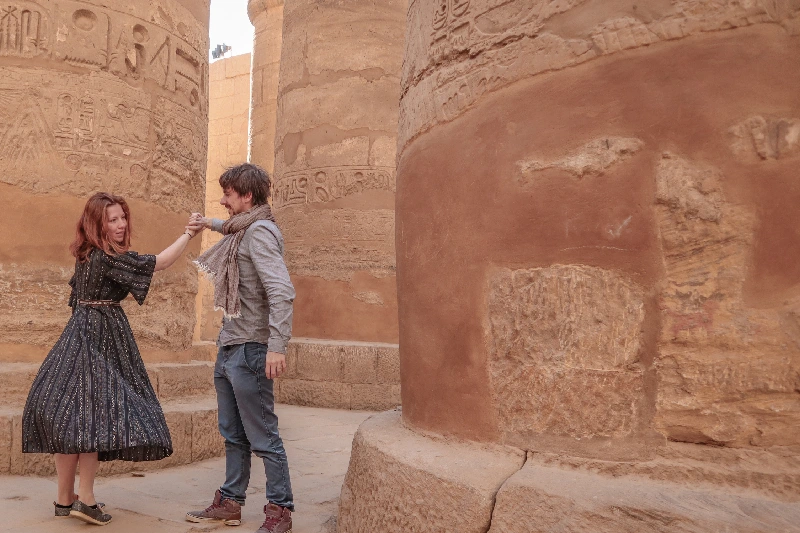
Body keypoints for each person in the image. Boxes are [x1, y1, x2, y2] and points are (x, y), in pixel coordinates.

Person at [21, 192, 199, 526]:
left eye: (122, 218)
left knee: (72, 415)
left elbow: (78, 301)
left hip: (81, 331)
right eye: (112, 220)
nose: (120, 225)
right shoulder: (106, 257)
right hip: (100, 335)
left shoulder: (86, 254)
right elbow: (160, 262)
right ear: (96, 223)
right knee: (94, 415)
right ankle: (86, 500)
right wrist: (188, 234)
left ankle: (64, 499)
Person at [185, 163, 295, 533]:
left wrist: (276, 346)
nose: (222, 200)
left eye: (228, 194)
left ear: (247, 196)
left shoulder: (260, 232)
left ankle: (280, 511)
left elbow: (281, 291)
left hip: (252, 349)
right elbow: (227, 225)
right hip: (230, 346)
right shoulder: (241, 228)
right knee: (232, 432)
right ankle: (231, 502)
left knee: (263, 436)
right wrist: (206, 223)